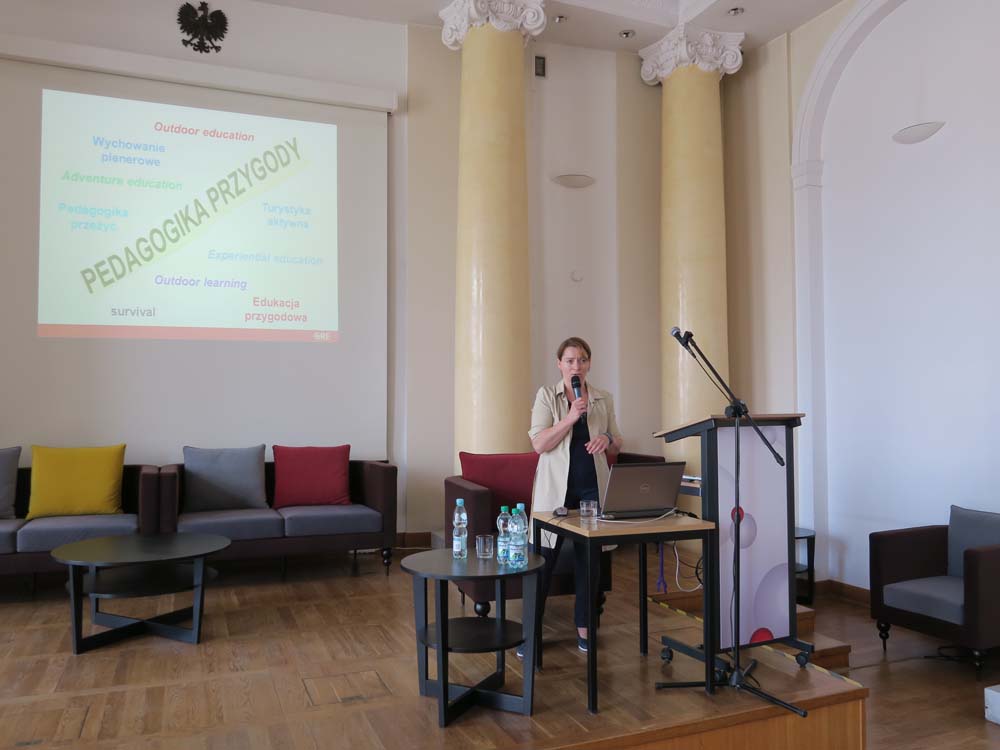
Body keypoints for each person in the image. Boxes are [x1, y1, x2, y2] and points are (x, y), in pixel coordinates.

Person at [525, 336, 622, 653]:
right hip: (555, 492)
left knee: (589, 563)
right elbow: (539, 444)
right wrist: (569, 417)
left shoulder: (603, 398)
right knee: (542, 562)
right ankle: (531, 632)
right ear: (560, 364)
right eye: (569, 361)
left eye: (581, 360)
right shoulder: (546, 396)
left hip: (592, 488)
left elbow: (617, 441)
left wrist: (606, 439)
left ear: (589, 363)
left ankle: (585, 627)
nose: (576, 366)